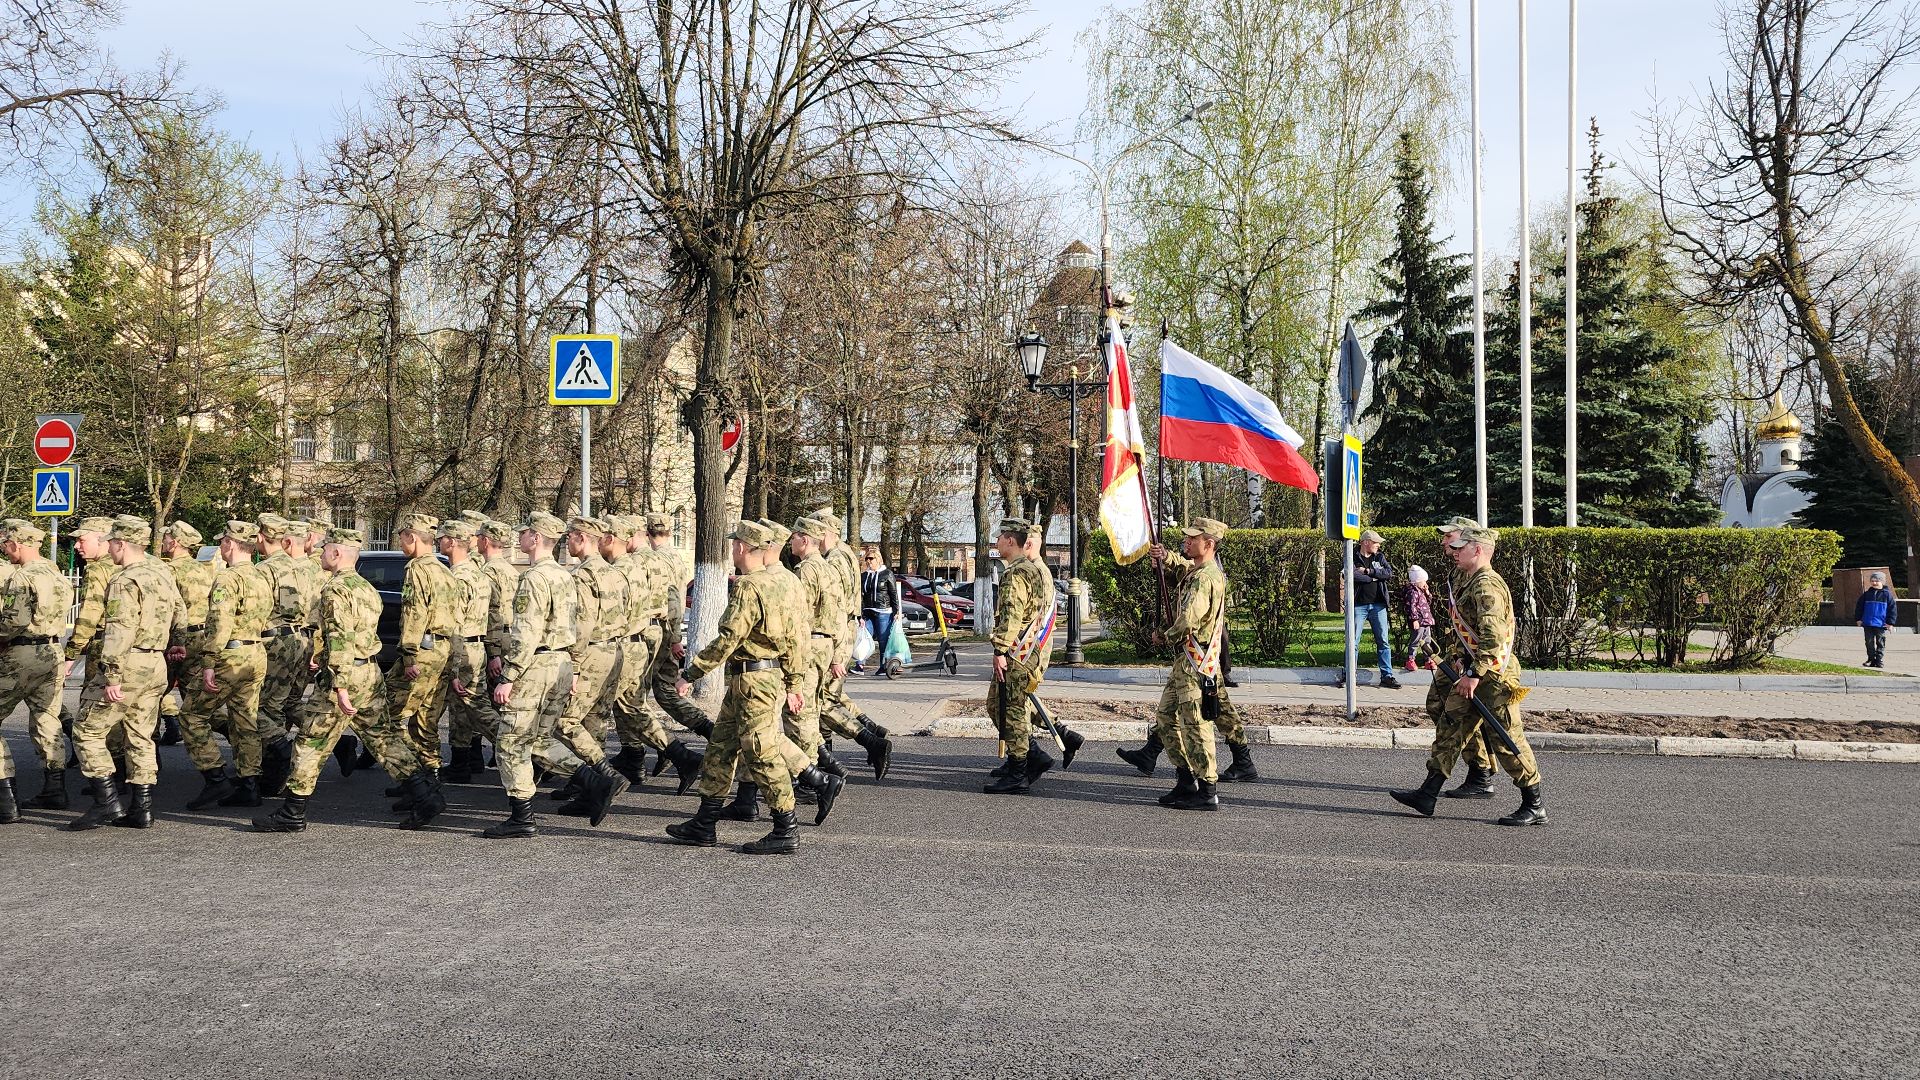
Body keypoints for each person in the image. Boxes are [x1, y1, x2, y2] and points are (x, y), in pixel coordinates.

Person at [665, 520, 843, 854]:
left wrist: (690, 673)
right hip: (763, 678)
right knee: (720, 746)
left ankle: (785, 828)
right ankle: (705, 822)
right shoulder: (789, 581)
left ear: (744, 548)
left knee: (762, 754)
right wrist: (793, 682)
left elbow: (729, 639)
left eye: (735, 545)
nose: (732, 550)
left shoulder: (749, 586)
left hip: (753, 679)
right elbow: (798, 637)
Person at [254, 526, 444, 833]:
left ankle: (292, 812)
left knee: (310, 743)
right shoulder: (365, 588)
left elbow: (341, 637)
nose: (321, 554)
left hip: (345, 677)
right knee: (382, 737)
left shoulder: (335, 589)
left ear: (336, 553)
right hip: (369, 673)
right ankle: (424, 795)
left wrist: (339, 683)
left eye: (326, 548)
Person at [1389, 525, 1548, 826]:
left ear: (1477, 550)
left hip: (1494, 676)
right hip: (1474, 670)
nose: (1455, 552)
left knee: (1506, 739)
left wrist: (1473, 674)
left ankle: (1534, 803)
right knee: (1451, 724)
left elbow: (1494, 638)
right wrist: (1462, 659)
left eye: (1461, 548)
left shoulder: (1486, 585)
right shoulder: (1471, 580)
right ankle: (1428, 793)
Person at [67, 517, 184, 831]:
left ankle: (106, 803)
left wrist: (112, 675)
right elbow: (180, 612)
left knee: (87, 731)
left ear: (118, 544)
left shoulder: (124, 579)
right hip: (155, 663)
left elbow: (120, 630)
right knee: (140, 735)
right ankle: (142, 809)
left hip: (128, 662)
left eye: (110, 543)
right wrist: (177, 644)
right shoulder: (162, 571)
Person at [481, 512, 584, 838]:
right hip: (560, 662)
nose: (520, 536)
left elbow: (527, 632)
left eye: (524, 531)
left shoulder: (534, 578)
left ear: (536, 538)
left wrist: (508, 676)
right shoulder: (564, 574)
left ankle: (521, 817)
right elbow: (577, 625)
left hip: (537, 665)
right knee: (538, 739)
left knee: (511, 742)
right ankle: (596, 779)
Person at [540, 515, 631, 826]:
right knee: (594, 720)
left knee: (565, 721)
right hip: (615, 650)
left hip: (591, 651)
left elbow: (582, 623)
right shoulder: (616, 572)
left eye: (570, 537)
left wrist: (575, 665)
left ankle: (606, 774)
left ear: (581, 538)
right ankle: (589, 794)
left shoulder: (582, 576)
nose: (567, 543)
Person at [179, 520, 273, 810]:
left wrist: (208, 661)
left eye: (222, 542)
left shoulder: (227, 579)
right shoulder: (261, 577)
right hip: (255, 653)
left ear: (230, 544)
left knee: (191, 716)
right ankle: (249, 785)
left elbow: (220, 623)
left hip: (230, 656)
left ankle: (215, 778)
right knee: (244, 719)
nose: (220, 546)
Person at [1149, 518, 1231, 810]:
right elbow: (1183, 570)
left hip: (1195, 663)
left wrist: (1164, 636)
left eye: (1192, 539)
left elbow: (1188, 620)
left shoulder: (1204, 578)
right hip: (1187, 663)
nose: (1186, 541)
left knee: (1196, 725)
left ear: (1208, 544)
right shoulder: (1203, 571)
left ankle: (1207, 790)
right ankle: (1186, 780)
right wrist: (1166, 557)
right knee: (1165, 718)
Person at [811, 510, 893, 778]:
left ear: (823, 531)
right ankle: (865, 736)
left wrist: (834, 650)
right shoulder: (845, 553)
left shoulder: (834, 560)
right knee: (827, 696)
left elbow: (833, 605)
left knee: (823, 701)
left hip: (834, 634)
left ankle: (871, 742)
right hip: (840, 632)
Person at [0, 521, 73, 820]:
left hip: (21, 652)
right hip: (52, 652)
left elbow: (12, 621)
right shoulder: (56, 573)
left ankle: (6, 800)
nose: (4, 550)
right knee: (46, 718)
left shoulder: (22, 576)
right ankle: (55, 788)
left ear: (16, 543)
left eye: (5, 544)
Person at [983, 518, 1057, 794]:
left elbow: (1013, 616)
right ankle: (1032, 756)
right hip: (1026, 652)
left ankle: (1019, 770)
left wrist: (1000, 650)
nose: (996, 542)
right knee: (997, 705)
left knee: (1010, 710)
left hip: (1017, 654)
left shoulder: (1016, 574)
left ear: (1010, 541)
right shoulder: (1030, 569)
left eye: (1000, 538)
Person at [385, 513, 460, 785]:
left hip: (423, 650)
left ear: (412, 537)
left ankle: (414, 778)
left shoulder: (417, 569)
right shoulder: (444, 569)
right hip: (443, 650)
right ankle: (431, 774)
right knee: (425, 719)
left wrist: (408, 655)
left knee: (389, 716)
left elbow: (414, 613)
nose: (401, 545)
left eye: (402, 538)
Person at [254, 514, 321, 795]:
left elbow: (256, 611)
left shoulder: (267, 569)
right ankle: (280, 768)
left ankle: (279, 754)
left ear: (260, 536)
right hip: (302, 639)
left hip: (275, 642)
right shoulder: (305, 568)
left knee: (261, 707)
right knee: (286, 702)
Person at [437, 518, 498, 785]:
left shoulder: (458, 578)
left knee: (477, 710)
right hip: (476, 647)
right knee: (463, 709)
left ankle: (524, 749)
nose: (439, 542)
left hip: (461, 648)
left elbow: (455, 625)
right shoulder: (478, 574)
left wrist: (451, 667)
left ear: (451, 542)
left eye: (441, 538)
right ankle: (463, 761)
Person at [157, 521, 214, 747]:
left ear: (175, 543)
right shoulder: (203, 568)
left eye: (166, 537)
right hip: (201, 636)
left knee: (152, 693)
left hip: (177, 638)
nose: (163, 541)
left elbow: (166, 608)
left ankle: (147, 757)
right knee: (197, 697)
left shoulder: (169, 570)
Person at [1338, 529, 1400, 689]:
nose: (1378, 545)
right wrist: (1373, 577)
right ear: (1366, 542)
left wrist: (1368, 572)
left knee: (1384, 642)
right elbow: (1350, 575)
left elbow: (1388, 573)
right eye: (1376, 542)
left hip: (1378, 605)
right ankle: (1349, 676)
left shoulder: (1379, 557)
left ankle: (1387, 676)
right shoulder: (1352, 556)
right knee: (1353, 642)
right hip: (1358, 605)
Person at [856, 546, 899, 675]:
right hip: (868, 610)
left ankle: (883, 666)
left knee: (883, 639)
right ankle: (859, 665)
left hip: (883, 611)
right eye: (867, 558)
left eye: (871, 558)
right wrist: (860, 615)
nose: (869, 561)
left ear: (878, 559)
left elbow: (893, 593)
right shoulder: (864, 576)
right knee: (864, 637)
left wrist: (896, 611)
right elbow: (860, 595)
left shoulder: (887, 574)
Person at [1857, 572, 1895, 669]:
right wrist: (1859, 619)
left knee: (1880, 642)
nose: (1874, 583)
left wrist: (1890, 623)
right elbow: (1859, 607)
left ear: (1882, 581)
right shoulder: (1866, 594)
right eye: (1872, 581)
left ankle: (1879, 660)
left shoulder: (1887, 595)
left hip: (1881, 624)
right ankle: (1871, 659)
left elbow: (1892, 610)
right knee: (1869, 642)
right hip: (1868, 623)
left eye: (1876, 581)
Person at [1405, 564, 1436, 668]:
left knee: (1427, 641)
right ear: (1417, 581)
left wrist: (1427, 593)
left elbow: (1428, 603)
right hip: (1419, 621)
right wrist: (1414, 619)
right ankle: (1410, 659)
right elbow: (1411, 606)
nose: (1425, 583)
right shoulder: (1413, 592)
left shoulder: (1421, 592)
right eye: (1424, 581)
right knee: (1416, 640)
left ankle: (1428, 659)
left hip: (1426, 620)